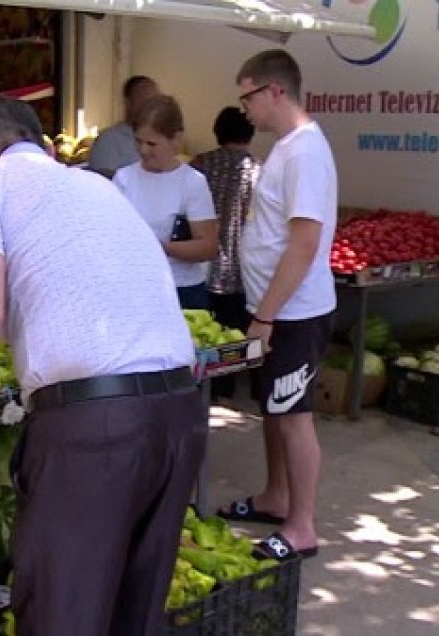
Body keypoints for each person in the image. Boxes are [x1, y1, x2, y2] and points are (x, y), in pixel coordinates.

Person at [0, 97, 207, 636]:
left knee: (64, 614)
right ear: (48, 147)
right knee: (136, 614)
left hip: (94, 430)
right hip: (180, 411)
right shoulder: (100, 186)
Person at [217, 50, 337, 563]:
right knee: (274, 409)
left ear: (274, 91)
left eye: (247, 96)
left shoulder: (306, 152)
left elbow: (305, 243)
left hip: (295, 312)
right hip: (275, 307)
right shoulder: (289, 149)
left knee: (294, 416)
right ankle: (275, 497)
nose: (244, 109)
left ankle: (301, 526)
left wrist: (265, 315)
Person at [113, 95, 218, 310]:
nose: (143, 150)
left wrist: (162, 248)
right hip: (134, 286)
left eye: (152, 143)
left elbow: (207, 247)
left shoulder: (191, 183)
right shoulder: (123, 179)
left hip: (181, 290)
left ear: (176, 139)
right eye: (138, 141)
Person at [191, 107, 261, 399]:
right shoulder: (258, 169)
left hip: (203, 261)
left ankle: (215, 388)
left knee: (208, 329)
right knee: (238, 329)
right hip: (243, 265)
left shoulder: (200, 164)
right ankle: (239, 384)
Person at [88, 75, 159, 178]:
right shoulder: (108, 140)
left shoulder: (159, 142)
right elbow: (103, 184)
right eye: (146, 101)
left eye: (156, 102)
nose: (152, 108)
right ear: (128, 103)